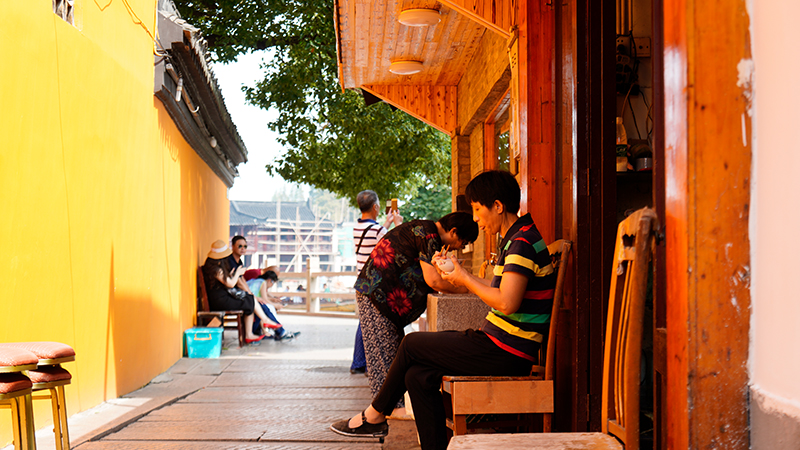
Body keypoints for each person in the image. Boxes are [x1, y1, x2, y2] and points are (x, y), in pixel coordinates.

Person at [330, 170, 557, 450]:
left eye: (477, 209)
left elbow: (506, 303)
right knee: (417, 376)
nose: (474, 218)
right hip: (499, 344)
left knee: (411, 343)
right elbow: (501, 289)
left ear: (497, 206)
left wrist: (464, 278)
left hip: (507, 350)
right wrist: (460, 276)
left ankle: (375, 415)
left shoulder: (521, 243)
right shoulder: (517, 239)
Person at [349, 211, 479, 418]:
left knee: (389, 350)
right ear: (454, 231)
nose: (460, 247)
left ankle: (387, 408)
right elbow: (434, 281)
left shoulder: (427, 233)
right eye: (463, 242)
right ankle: (389, 409)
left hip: (378, 293)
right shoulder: (429, 236)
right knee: (384, 352)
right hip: (377, 294)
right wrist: (470, 288)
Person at [350, 190, 403, 374]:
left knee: (364, 321)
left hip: (361, 281)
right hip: (375, 283)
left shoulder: (357, 227)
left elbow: (374, 235)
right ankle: (370, 364)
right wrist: (397, 224)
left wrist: (386, 223)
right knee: (374, 323)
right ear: (375, 207)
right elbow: (394, 244)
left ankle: (358, 363)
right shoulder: (378, 230)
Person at [201, 240, 282, 344]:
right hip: (220, 301)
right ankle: (256, 328)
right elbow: (230, 284)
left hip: (220, 298)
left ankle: (255, 329)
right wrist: (237, 273)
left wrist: (231, 274)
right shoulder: (216, 269)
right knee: (249, 301)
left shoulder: (213, 268)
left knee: (250, 299)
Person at [247, 270, 298, 341]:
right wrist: (275, 305)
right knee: (265, 308)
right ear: (269, 280)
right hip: (250, 304)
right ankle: (280, 332)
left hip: (248, 303)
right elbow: (265, 299)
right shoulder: (263, 283)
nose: (272, 285)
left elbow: (263, 297)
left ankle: (279, 332)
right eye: (273, 283)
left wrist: (274, 300)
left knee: (263, 308)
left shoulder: (256, 281)